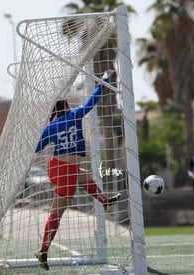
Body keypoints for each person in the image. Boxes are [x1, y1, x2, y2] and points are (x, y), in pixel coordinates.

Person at [34, 70, 121, 271]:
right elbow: (93, 100)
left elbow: (37, 148)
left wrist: (38, 135)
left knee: (83, 174)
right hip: (64, 171)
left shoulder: (51, 126)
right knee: (56, 214)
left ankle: (106, 202)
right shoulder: (75, 115)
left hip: (58, 167)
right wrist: (105, 81)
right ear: (67, 107)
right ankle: (43, 251)